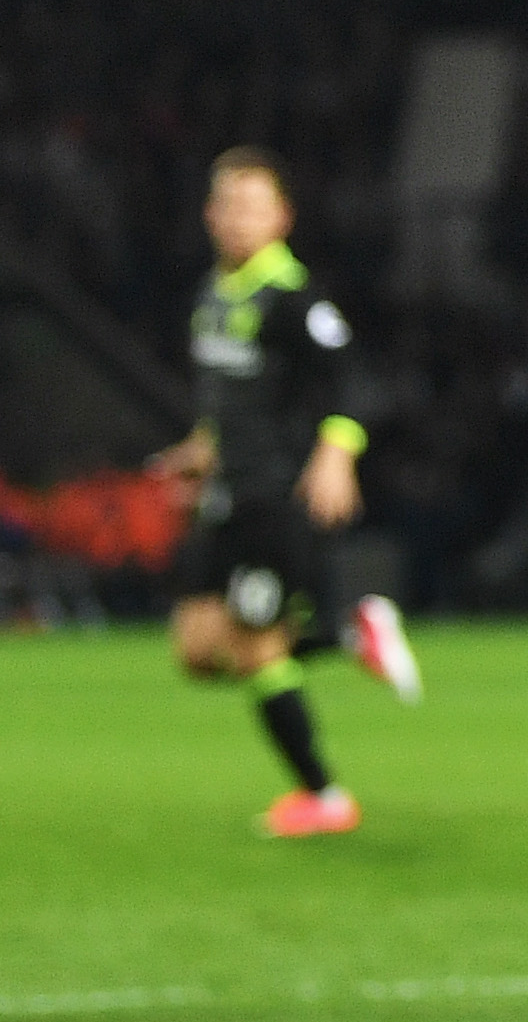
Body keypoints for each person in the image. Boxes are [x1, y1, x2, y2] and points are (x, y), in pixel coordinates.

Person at [155, 149, 417, 838]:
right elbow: (231, 399)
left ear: (283, 218)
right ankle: (348, 632)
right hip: (226, 494)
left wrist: (336, 451)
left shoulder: (295, 297)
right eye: (230, 206)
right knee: (197, 652)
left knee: (259, 649)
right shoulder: (214, 296)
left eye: (256, 207)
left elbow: (354, 380)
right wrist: (202, 450)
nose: (240, 220)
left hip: (273, 495)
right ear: (211, 216)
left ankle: (324, 796)